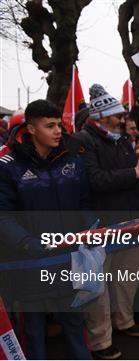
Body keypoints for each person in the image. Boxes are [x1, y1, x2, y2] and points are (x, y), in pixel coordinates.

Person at [73, 84, 139, 360]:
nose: (123, 119)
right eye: (117, 115)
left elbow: (132, 179)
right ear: (101, 116)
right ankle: (101, 340)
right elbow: (94, 181)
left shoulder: (121, 140)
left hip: (130, 223)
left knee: (128, 277)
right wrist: (137, 170)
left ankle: (124, 321)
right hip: (101, 226)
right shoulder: (82, 141)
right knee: (98, 288)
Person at [0, 100, 92, 359]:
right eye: (49, 126)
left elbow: (84, 202)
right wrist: (27, 243)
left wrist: (92, 231)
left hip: (70, 263)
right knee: (34, 331)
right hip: (29, 265)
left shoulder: (73, 160)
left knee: (75, 325)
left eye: (59, 125)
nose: (58, 131)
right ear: (30, 128)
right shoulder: (8, 166)